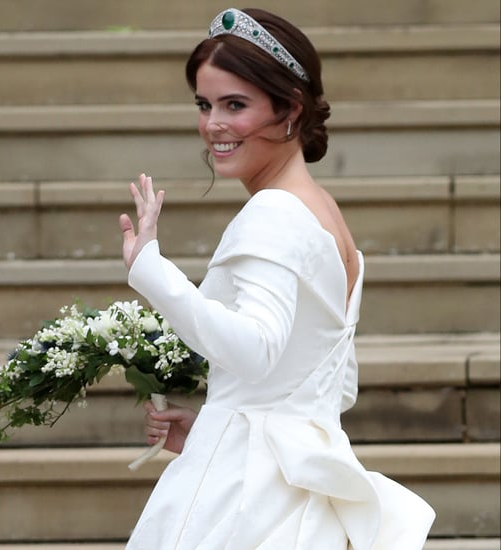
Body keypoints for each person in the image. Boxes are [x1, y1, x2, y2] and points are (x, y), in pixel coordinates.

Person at [119, 7, 435, 549]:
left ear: (289, 110)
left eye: (234, 105)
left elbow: (257, 350)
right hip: (292, 488)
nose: (213, 123)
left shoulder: (274, 213)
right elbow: (332, 383)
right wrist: (218, 427)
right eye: (204, 104)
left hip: (247, 502)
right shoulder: (321, 211)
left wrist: (150, 268)